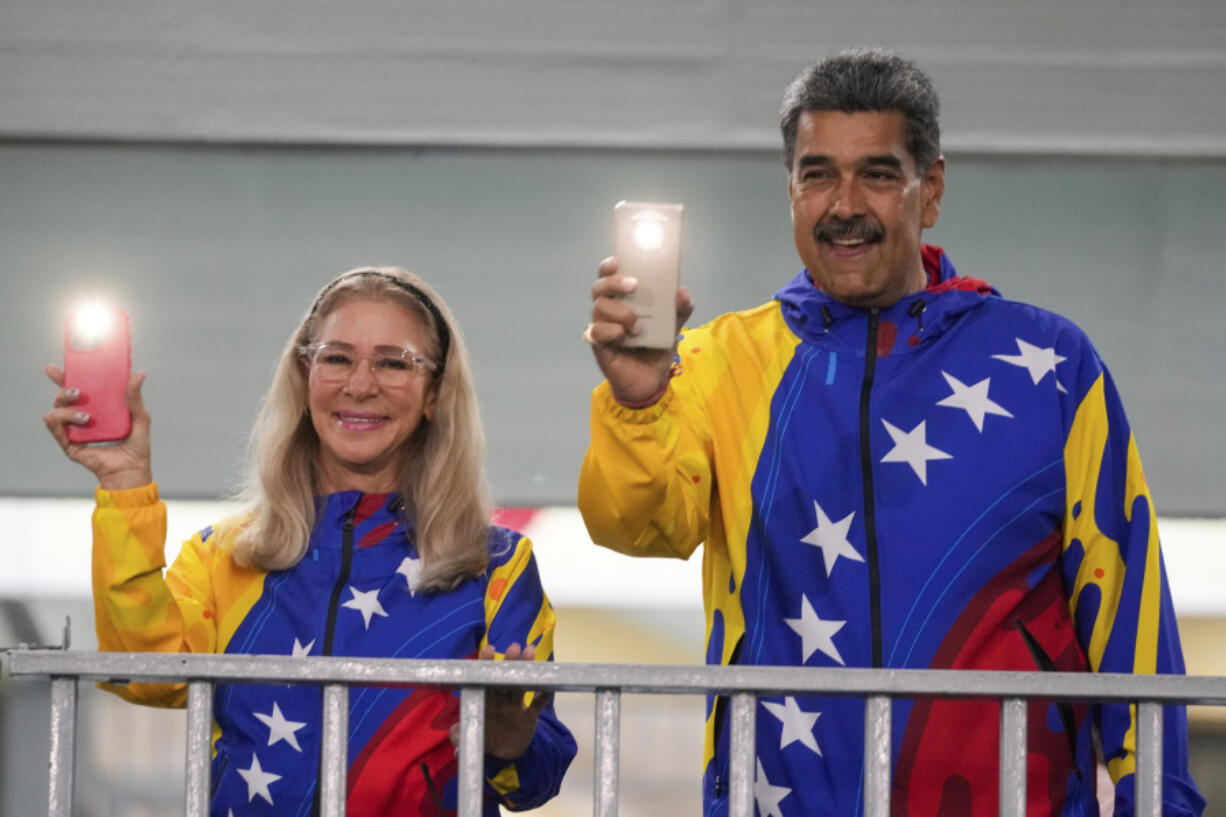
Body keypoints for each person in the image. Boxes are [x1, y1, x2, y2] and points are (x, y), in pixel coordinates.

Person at [578, 50, 1203, 817]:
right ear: (790, 189)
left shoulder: (1051, 365)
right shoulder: (714, 362)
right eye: (816, 174)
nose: (844, 203)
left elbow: (1126, 603)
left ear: (929, 189)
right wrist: (637, 403)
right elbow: (641, 529)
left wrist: (1161, 800)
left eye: (877, 173)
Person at [45, 266, 576, 816]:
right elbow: (140, 672)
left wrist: (508, 740)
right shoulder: (223, 554)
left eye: (394, 362)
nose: (360, 385)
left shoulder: (497, 565)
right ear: (304, 376)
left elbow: (539, 779)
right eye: (337, 357)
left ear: (434, 393)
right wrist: (124, 485)